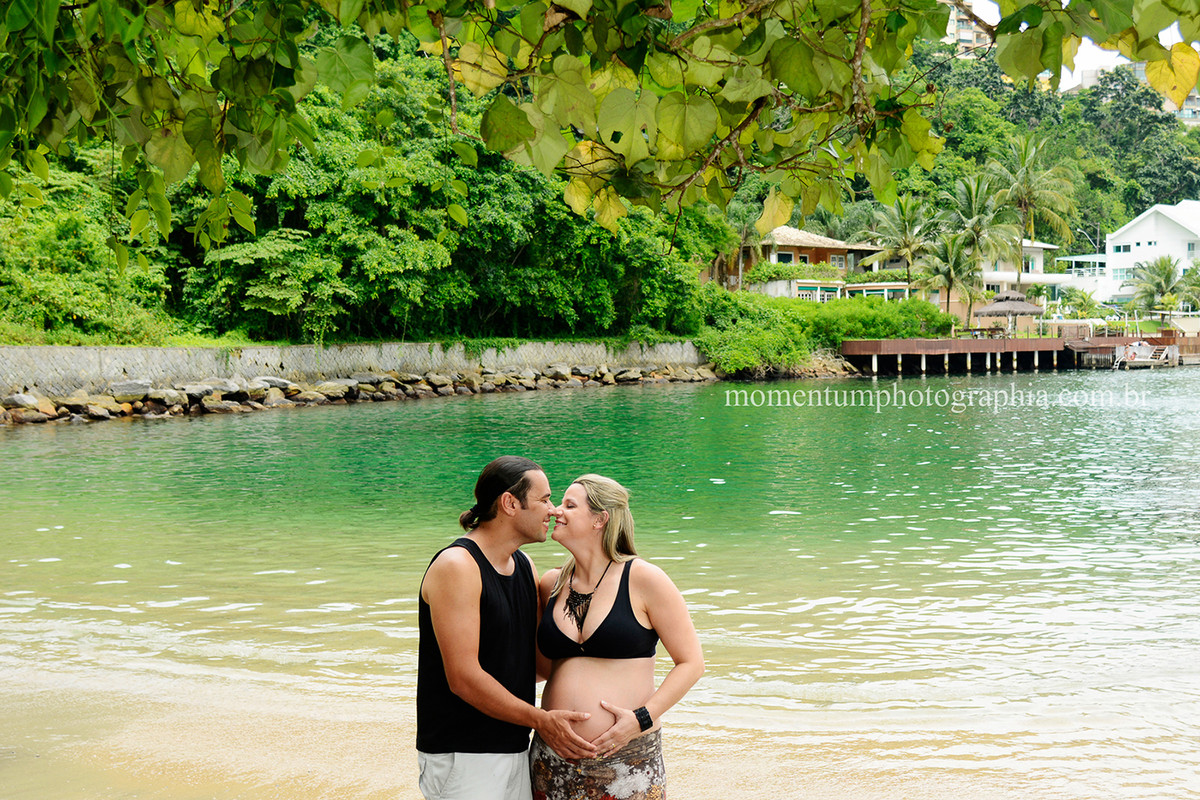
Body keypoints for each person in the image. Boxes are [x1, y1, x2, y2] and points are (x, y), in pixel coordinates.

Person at [417, 456, 596, 800]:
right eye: (545, 499)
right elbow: (463, 678)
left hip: (515, 746)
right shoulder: (457, 566)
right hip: (462, 754)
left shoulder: (524, 566)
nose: (554, 510)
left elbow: (536, 669)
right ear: (510, 503)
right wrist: (542, 721)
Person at [532, 474, 704, 799]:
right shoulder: (550, 584)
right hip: (552, 757)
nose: (556, 510)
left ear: (600, 519)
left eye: (570, 505)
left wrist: (640, 719)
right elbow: (542, 669)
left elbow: (691, 663)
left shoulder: (643, 579)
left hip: (627, 757)